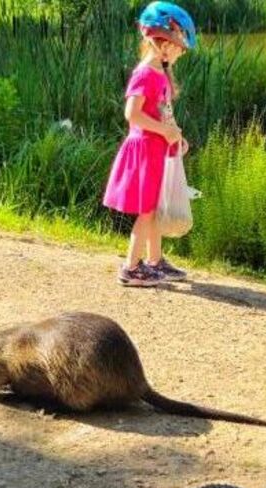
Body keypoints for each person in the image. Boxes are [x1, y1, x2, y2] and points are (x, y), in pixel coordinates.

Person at [102, 1, 196, 287]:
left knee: (154, 207)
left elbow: (163, 113)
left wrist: (176, 137)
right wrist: (163, 131)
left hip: (157, 150)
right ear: (163, 43)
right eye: (179, 48)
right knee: (147, 211)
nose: (180, 54)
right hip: (143, 151)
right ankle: (131, 267)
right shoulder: (145, 73)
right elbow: (132, 114)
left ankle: (155, 261)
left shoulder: (160, 74)